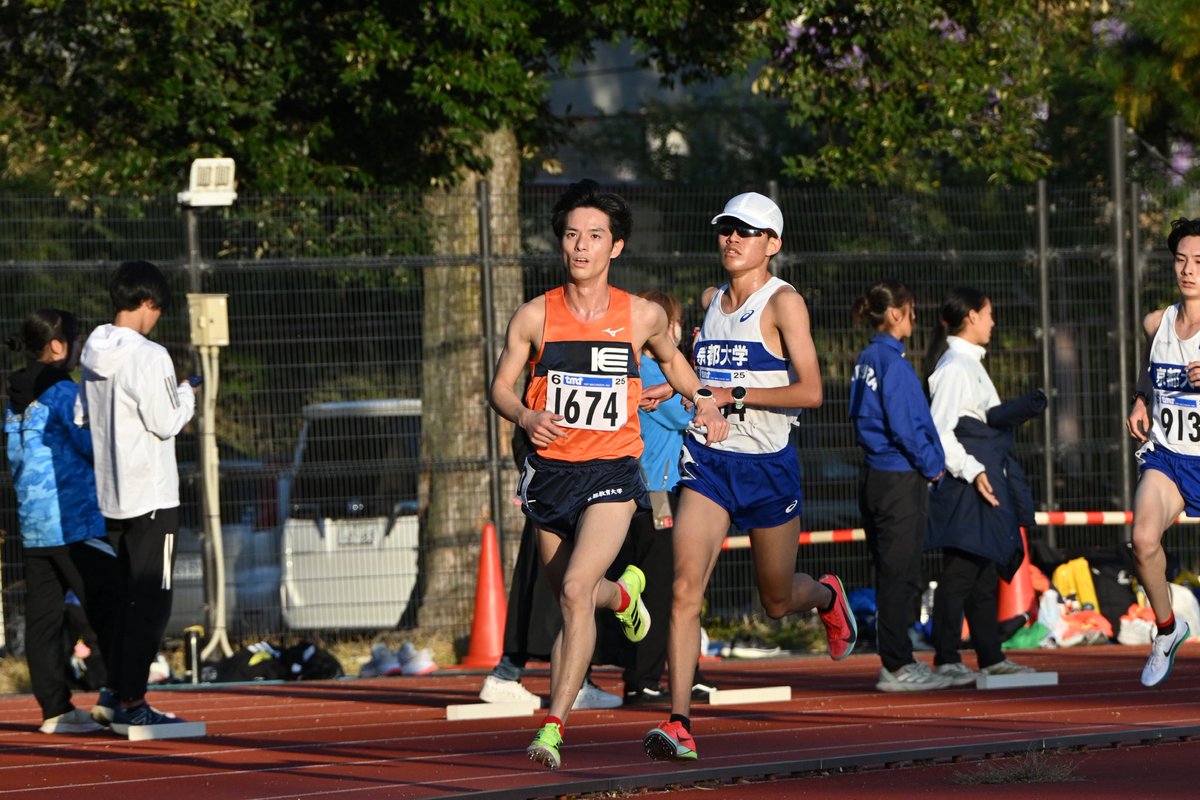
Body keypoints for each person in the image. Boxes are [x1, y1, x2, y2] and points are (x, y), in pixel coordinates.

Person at [488, 179, 728, 770]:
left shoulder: (641, 315)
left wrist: (703, 402)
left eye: (594, 236)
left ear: (615, 247)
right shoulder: (534, 315)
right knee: (571, 590)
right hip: (548, 475)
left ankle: (552, 728)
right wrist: (523, 412)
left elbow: (677, 365)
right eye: (572, 234)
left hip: (612, 473)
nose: (581, 246)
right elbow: (498, 386)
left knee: (572, 592)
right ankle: (623, 594)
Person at [642, 192, 857, 763]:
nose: (733, 239)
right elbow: (704, 376)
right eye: (726, 229)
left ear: (773, 244)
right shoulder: (709, 299)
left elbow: (811, 392)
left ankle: (827, 595)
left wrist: (733, 394)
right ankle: (680, 721)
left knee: (777, 600)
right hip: (709, 463)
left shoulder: (783, 303)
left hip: (769, 466)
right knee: (685, 588)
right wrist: (676, 388)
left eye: (747, 231)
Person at [79, 260, 204, 737]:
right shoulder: (150, 355)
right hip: (151, 495)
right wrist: (187, 394)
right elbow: (167, 421)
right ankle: (130, 700)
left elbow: (83, 418)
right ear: (149, 302)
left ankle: (116, 691)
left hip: (111, 495)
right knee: (152, 603)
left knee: (126, 600)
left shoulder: (92, 350)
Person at [4, 309, 120, 734]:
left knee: (44, 621)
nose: (78, 348)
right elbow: (94, 444)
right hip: (73, 523)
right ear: (57, 346)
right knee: (110, 606)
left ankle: (55, 710)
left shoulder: (15, 398)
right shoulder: (60, 392)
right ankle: (119, 695)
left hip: (34, 526)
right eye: (75, 340)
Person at [924, 286, 1038, 686]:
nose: (993, 322)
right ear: (971, 316)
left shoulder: (970, 363)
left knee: (984, 574)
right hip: (966, 485)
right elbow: (941, 432)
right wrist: (974, 471)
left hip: (982, 482)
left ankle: (990, 658)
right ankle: (947, 658)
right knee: (960, 574)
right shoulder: (955, 365)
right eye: (989, 314)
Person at [847, 281, 951, 693]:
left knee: (889, 568)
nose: (913, 317)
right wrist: (932, 465)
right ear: (895, 314)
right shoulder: (893, 363)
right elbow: (907, 424)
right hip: (898, 477)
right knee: (899, 571)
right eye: (909, 310)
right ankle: (897, 663)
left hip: (874, 475)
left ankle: (897, 656)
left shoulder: (866, 359)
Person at [1127, 216, 1200, 687]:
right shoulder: (1158, 322)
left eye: (1198, 262)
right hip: (1169, 458)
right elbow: (1151, 369)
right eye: (1181, 260)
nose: (1188, 270)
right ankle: (1167, 630)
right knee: (1143, 540)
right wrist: (1139, 397)